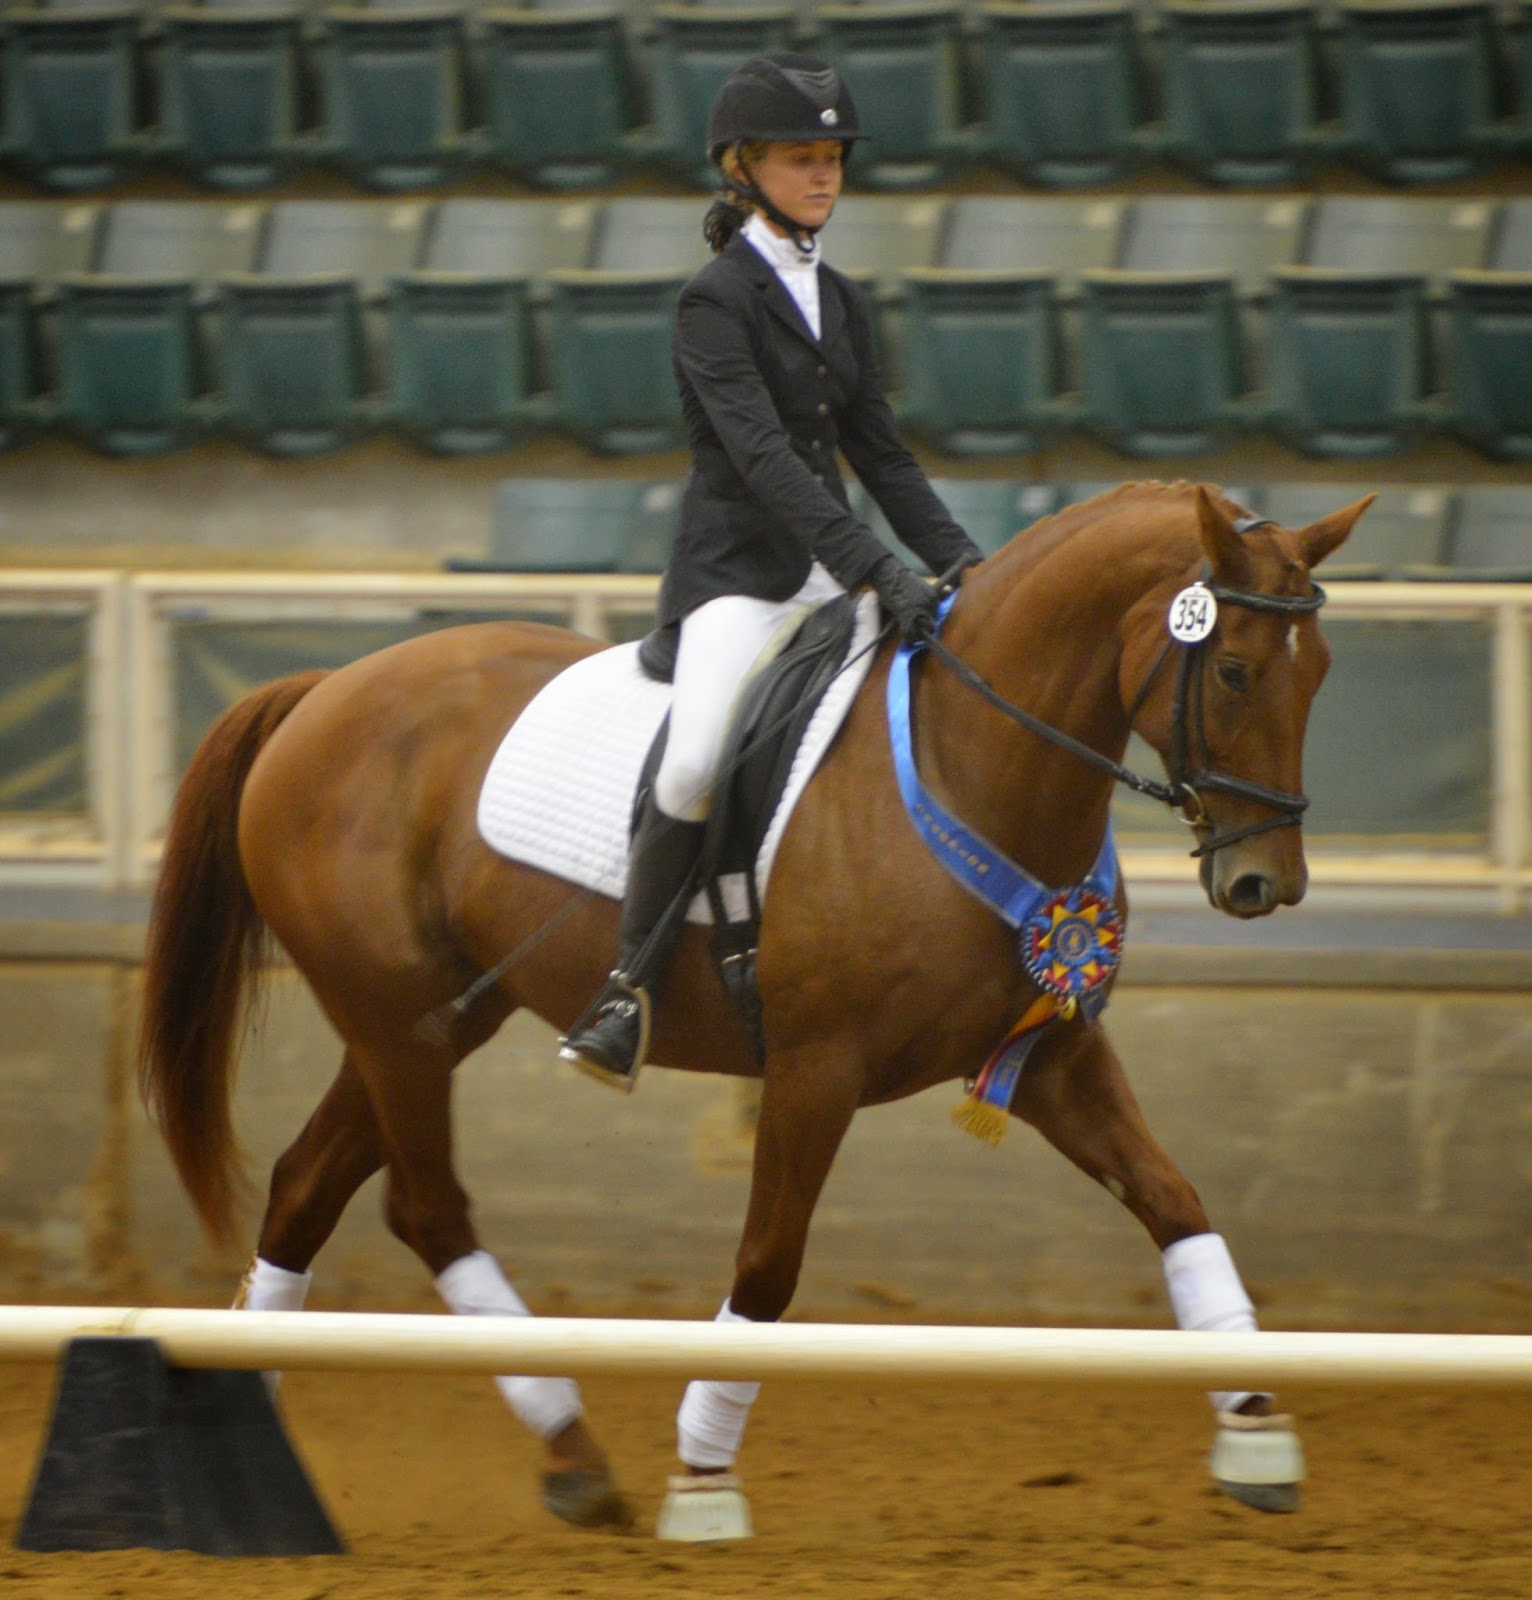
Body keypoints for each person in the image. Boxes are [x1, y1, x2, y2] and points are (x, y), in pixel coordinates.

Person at [559, 51, 985, 1091]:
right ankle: (626, 988)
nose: (824, 173)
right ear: (742, 166)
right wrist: (875, 567)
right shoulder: (714, 301)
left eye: (833, 157)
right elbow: (760, 460)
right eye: (801, 157)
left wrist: (965, 564)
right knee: (695, 760)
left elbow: (880, 455)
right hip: (737, 581)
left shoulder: (838, 297)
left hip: (830, 578)